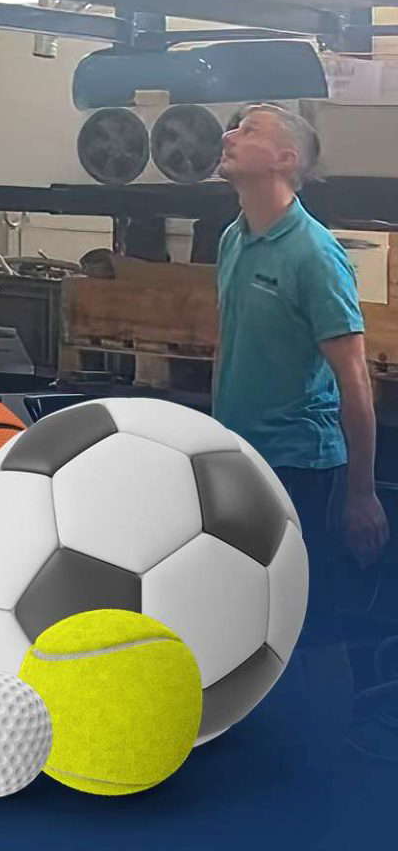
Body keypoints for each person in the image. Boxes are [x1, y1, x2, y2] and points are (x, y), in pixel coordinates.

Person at [214, 102, 388, 747]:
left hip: (302, 463)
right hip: (241, 456)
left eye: (249, 129)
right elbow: (230, 350)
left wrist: (362, 493)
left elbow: (355, 381)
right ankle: (262, 734)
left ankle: (330, 752)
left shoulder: (315, 255)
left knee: (309, 615)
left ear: (286, 159)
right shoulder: (234, 237)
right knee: (245, 603)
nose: (229, 134)